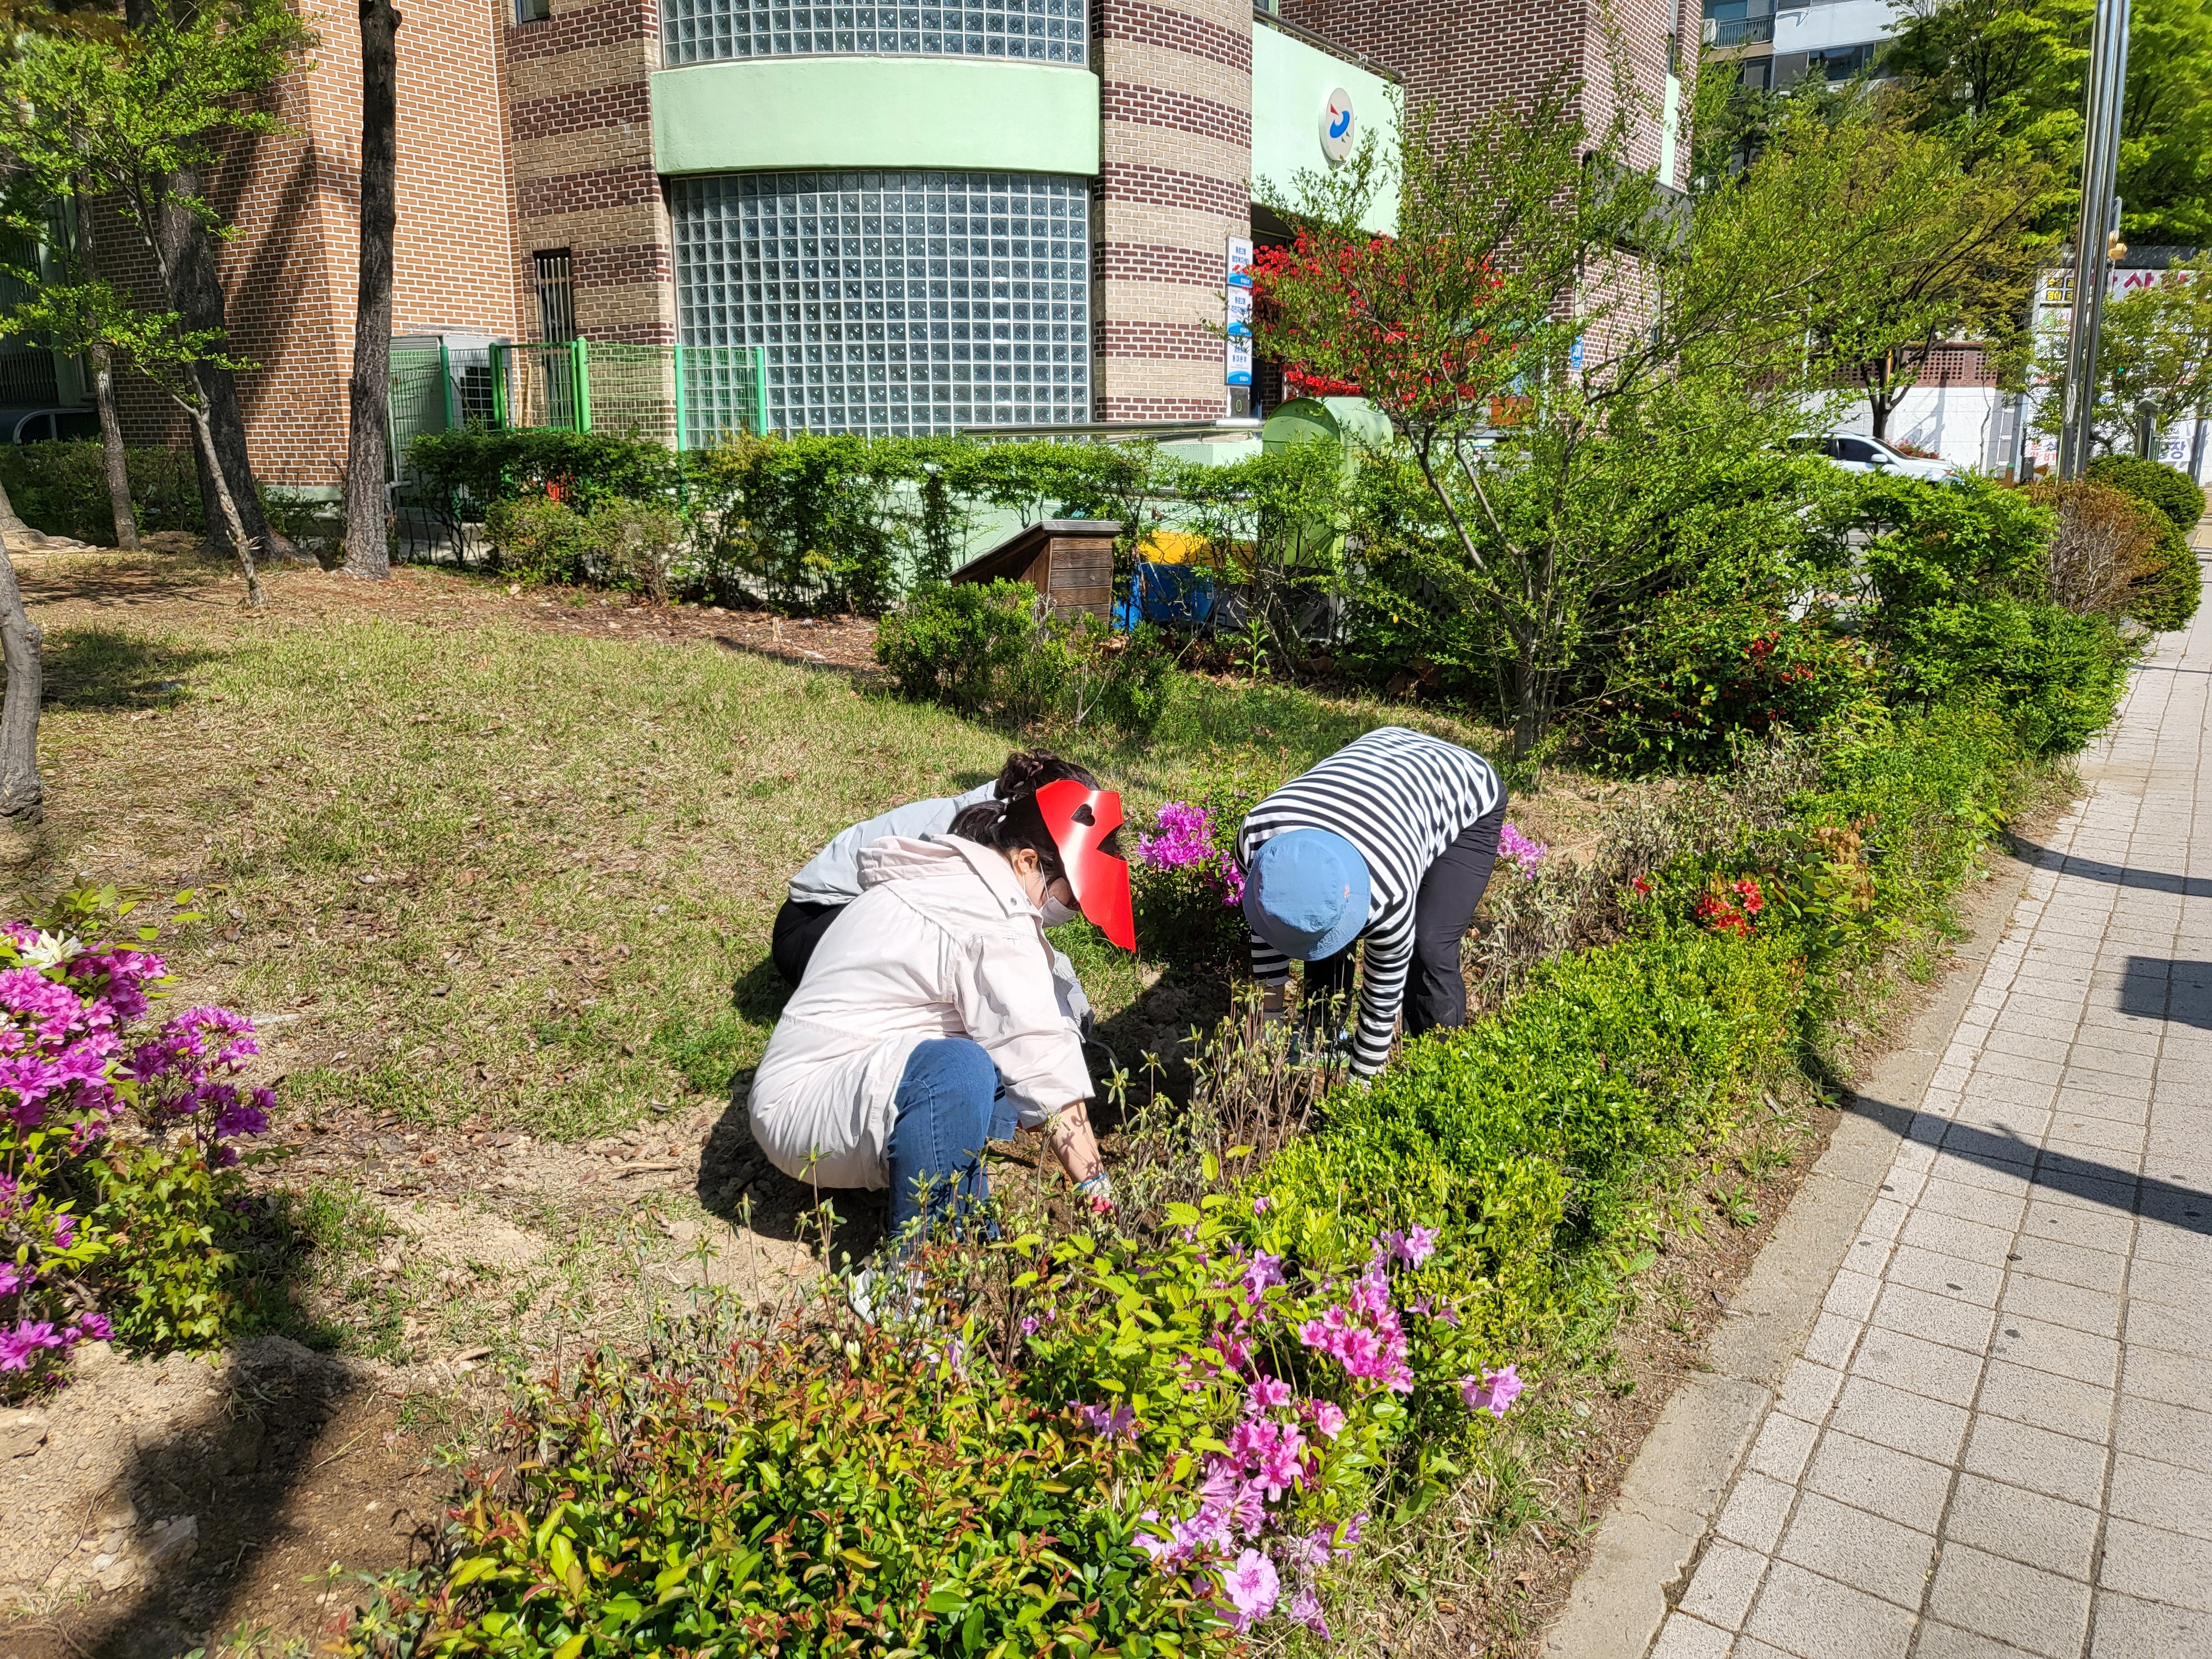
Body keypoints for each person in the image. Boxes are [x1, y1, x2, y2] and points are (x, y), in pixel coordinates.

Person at [748, 778, 1138, 1237]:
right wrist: (1101, 1196)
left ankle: (957, 1185)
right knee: (961, 1069)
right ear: (1028, 861)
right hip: (805, 1110)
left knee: (996, 1059)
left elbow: (1035, 1024)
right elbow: (1043, 1061)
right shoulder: (988, 917)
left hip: (849, 1071)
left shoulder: (962, 875)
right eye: (1071, 897)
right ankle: (917, 1276)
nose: (1070, 910)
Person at [1235, 726, 1506, 1078]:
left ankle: (1435, 1071)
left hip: (1464, 788)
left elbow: (1381, 1000)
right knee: (1320, 928)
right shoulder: (1257, 838)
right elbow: (1269, 924)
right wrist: (1266, 1036)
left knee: (1431, 944)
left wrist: (1359, 1090)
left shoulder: (1388, 890)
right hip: (1380, 763)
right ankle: (1325, 1038)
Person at [772, 750, 1096, 1006]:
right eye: (1073, 894)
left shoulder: (1004, 826)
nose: (1073, 906)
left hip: (850, 918)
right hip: (815, 927)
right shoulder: (975, 842)